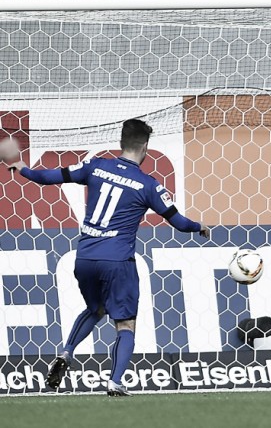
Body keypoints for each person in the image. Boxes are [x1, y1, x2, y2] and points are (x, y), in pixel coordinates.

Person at [8, 119, 210, 396]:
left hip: (85, 257)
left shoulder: (95, 166)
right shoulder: (148, 185)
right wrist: (200, 227)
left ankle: (67, 352)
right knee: (125, 324)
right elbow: (180, 223)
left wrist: (23, 169)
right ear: (146, 147)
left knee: (96, 309)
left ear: (120, 143)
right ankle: (115, 381)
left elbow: (46, 178)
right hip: (117, 261)